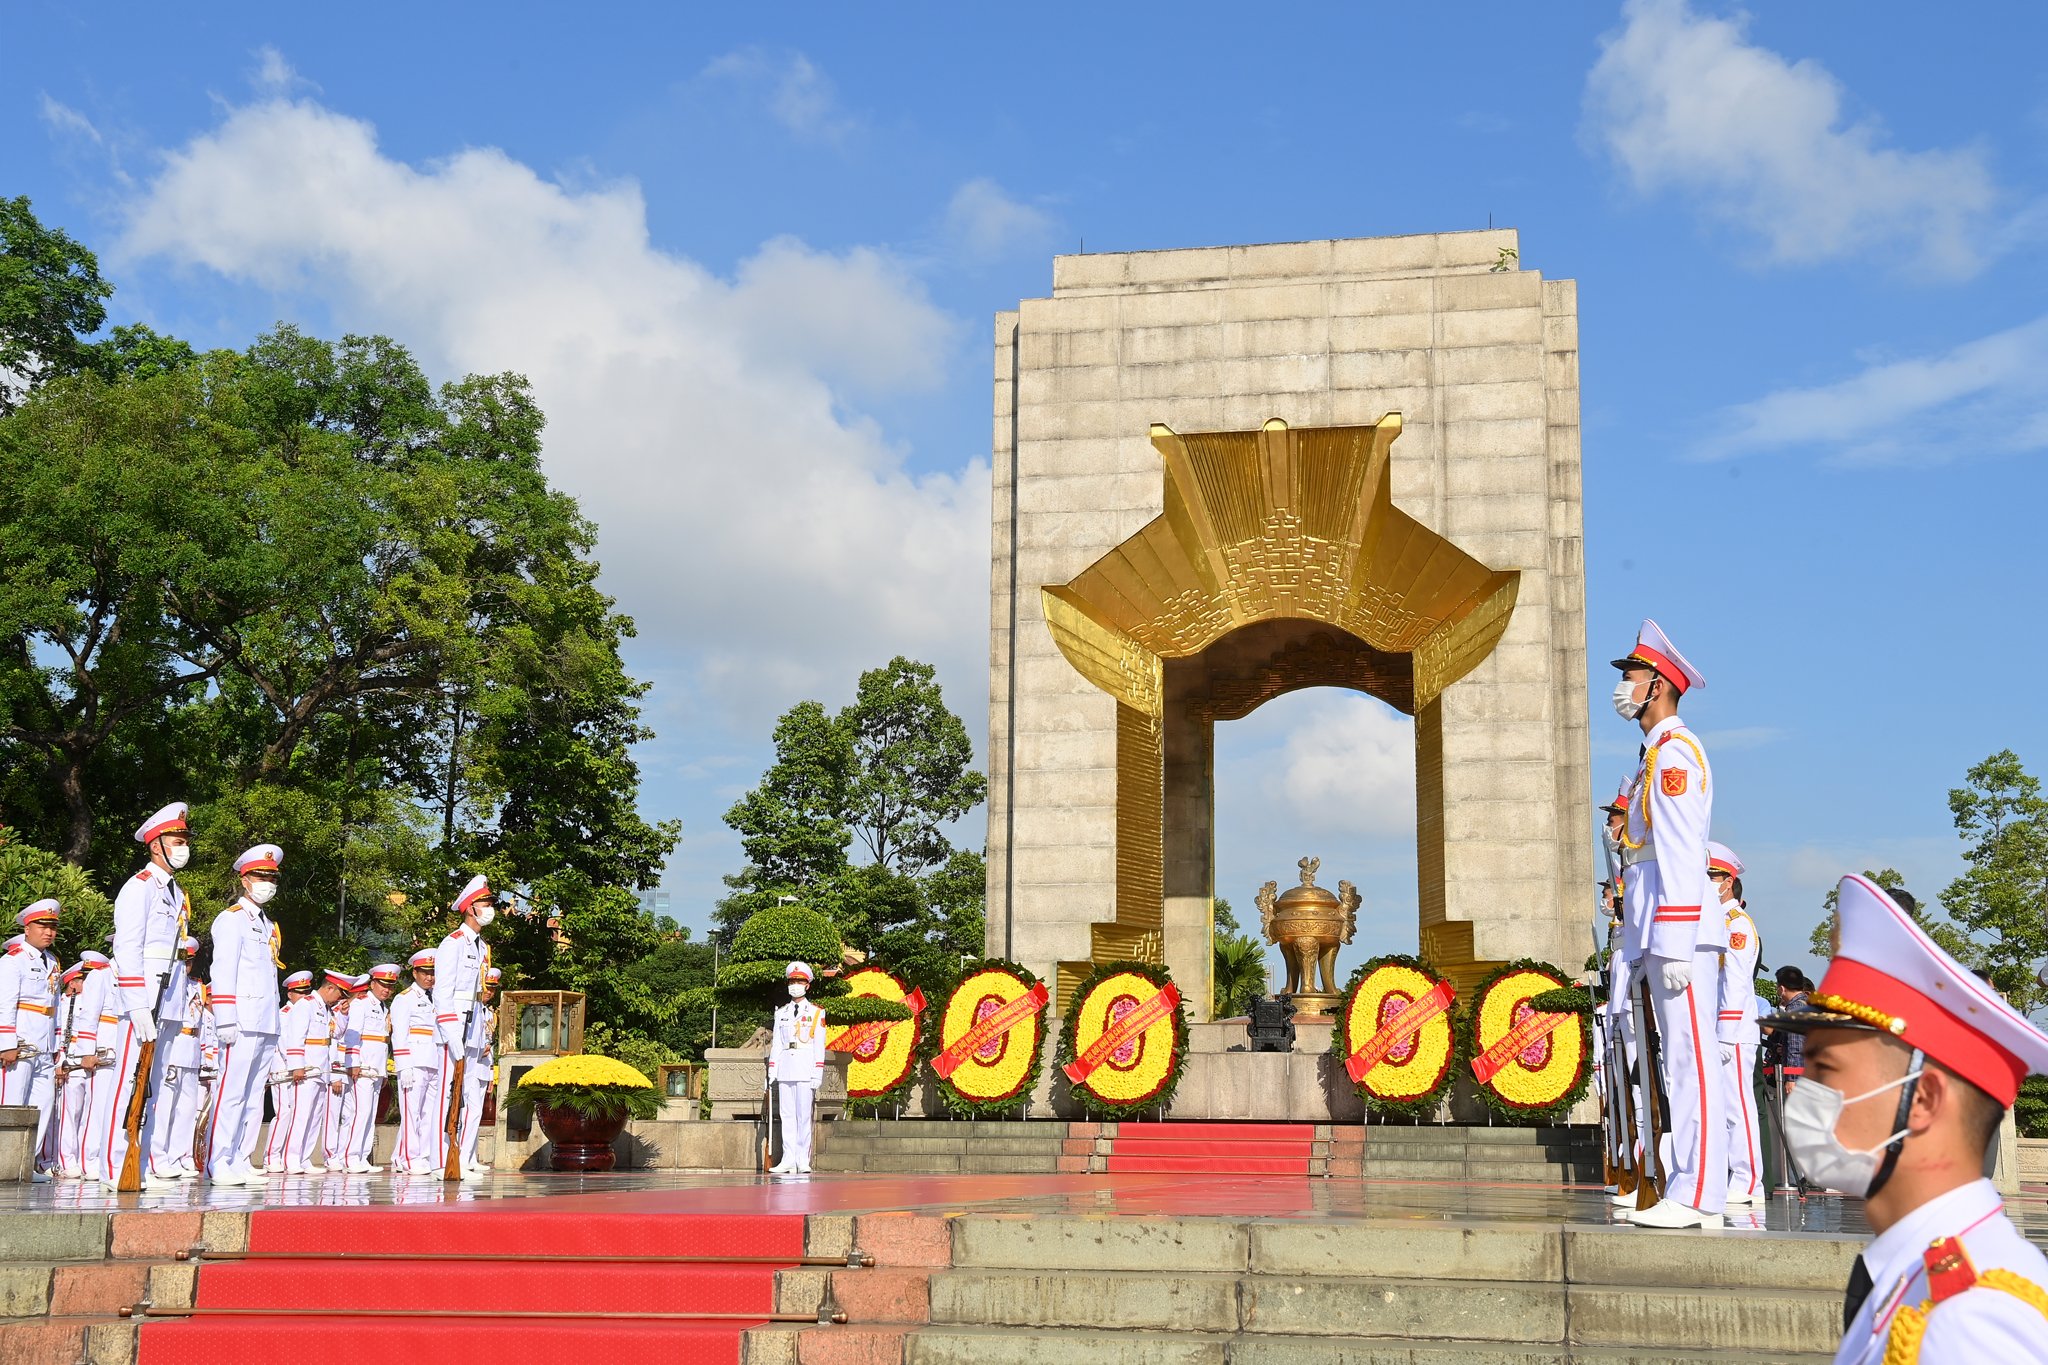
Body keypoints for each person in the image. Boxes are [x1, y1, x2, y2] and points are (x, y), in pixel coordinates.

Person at [1766, 873, 2048, 1364]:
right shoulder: (1914, 1276)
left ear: (1923, 1100)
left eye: (1826, 1069)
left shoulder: (1971, 1322)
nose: (1805, 1094)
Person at [1610, 619, 1725, 1229]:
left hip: (1680, 928)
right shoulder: (1655, 756)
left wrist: (1675, 938)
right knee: (1674, 1058)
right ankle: (1685, 1182)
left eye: (1629, 676)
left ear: (1656, 684)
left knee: (1691, 1058)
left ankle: (1699, 1190)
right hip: (1658, 924)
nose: (1623, 688)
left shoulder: (1676, 755)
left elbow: (1682, 851)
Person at [92, 802, 193, 1191]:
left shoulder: (174, 892)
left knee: (149, 1086)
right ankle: (113, 1166)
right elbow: (128, 949)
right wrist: (135, 1002)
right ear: (156, 845)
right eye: (176, 839)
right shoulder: (138, 887)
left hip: (168, 997)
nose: (182, 846)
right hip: (144, 997)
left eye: (184, 839)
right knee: (127, 1084)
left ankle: (140, 1162)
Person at [202, 845, 286, 1185]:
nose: (267, 883)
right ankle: (218, 1158)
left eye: (272, 877)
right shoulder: (232, 919)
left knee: (253, 1094)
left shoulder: (267, 923)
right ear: (245, 879)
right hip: (241, 1019)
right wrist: (225, 1016)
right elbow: (222, 969)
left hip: (265, 1018)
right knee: (231, 1090)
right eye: (260, 876)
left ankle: (240, 1156)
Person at [1708, 843, 1764, 1207]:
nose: (1706, 882)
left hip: (1736, 1030)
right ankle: (1735, 1175)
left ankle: (1749, 1180)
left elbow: (1737, 981)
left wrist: (1726, 1032)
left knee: (1738, 1107)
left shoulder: (1736, 925)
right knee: (1724, 1108)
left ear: (1728, 881)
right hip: (1719, 1027)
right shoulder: (1715, 921)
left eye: (1711, 876)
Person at [430, 875, 495, 1179]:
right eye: (485, 903)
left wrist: (480, 1036)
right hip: (453, 1030)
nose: (489, 908)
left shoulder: (481, 947)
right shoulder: (452, 944)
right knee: (446, 1095)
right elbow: (442, 993)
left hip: (473, 1029)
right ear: (470, 907)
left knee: (466, 1097)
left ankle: (462, 1156)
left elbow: (478, 997)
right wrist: (451, 1033)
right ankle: (439, 1158)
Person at [1, 903, 63, 1181]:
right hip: (22, 1042)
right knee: (12, 1103)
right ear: (27, 928)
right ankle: (4, 1161)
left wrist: (57, 1046)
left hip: (44, 1044)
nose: (48, 932)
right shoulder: (13, 961)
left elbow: (55, 1006)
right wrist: (6, 1042)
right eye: (43, 926)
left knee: (43, 1104)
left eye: (52, 927)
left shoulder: (51, 961)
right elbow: (5, 1003)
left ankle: (26, 1162)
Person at [144, 937, 206, 1182]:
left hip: (191, 1052)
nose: (187, 965)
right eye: (184, 960)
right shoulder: (169, 986)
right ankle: (157, 1157)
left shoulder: (197, 986)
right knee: (165, 1107)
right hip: (174, 1047)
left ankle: (181, 1155)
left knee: (187, 1109)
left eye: (189, 961)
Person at [768, 960, 827, 1175]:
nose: (794, 985)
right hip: (785, 1068)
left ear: (807, 985)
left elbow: (819, 1046)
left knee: (803, 1116)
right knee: (787, 1115)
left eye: (799, 981)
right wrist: (772, 1069)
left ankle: (803, 1159)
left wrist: (816, 1072)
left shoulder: (816, 1013)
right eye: (792, 981)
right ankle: (787, 1158)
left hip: (804, 1069)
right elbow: (777, 1044)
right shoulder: (781, 1012)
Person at [342, 966, 399, 1173]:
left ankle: (362, 1156)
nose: (386, 989)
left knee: (370, 1112)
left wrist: (383, 1071)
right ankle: (350, 1157)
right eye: (383, 984)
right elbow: (352, 1035)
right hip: (363, 1066)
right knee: (360, 1112)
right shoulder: (361, 1003)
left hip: (376, 1067)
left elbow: (383, 1042)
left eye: (390, 986)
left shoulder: (383, 1007)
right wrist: (353, 1062)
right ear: (373, 983)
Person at [391, 949, 440, 1174]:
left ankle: (421, 1154)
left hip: (433, 1061)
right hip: (414, 1062)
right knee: (411, 1112)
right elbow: (399, 1034)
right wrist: (403, 1065)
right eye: (425, 972)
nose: (429, 977)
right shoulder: (405, 999)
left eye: (432, 972)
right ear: (415, 972)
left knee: (428, 1112)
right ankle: (410, 1157)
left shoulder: (437, 997)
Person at [455, 967, 500, 1177]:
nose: (489, 992)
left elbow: (490, 1045)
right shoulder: (470, 1011)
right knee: (468, 1113)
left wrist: (491, 1075)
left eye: (492, 988)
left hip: (482, 1068)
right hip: (470, 1066)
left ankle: (470, 1156)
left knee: (476, 1113)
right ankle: (461, 1157)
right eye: (486, 987)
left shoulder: (489, 1013)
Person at [49, 960, 92, 1178]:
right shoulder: (65, 1004)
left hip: (87, 1060)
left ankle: (85, 1158)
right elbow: (59, 1036)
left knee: (86, 1113)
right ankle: (67, 1159)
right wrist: (60, 1062)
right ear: (73, 982)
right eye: (83, 979)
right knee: (69, 1113)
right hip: (71, 1061)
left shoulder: (89, 1001)